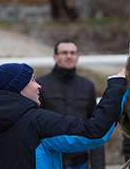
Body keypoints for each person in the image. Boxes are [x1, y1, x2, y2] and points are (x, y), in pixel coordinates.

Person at [0, 63, 128, 169]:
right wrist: (116, 89)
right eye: (32, 80)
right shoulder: (38, 122)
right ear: (18, 88)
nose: (38, 86)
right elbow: (94, 132)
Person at [36, 39, 104, 169]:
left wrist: (98, 166)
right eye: (64, 52)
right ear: (55, 57)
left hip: (81, 161)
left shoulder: (87, 86)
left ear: (77, 57)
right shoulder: (41, 85)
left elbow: (95, 125)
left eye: (72, 53)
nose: (69, 56)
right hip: (51, 160)